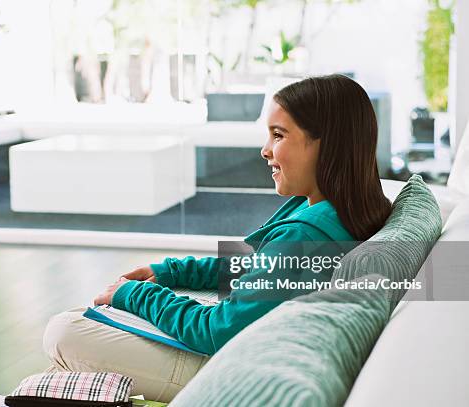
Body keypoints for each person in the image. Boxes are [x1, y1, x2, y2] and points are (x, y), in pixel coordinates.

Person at [43, 74, 392, 402]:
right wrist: (170, 273)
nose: (265, 150)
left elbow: (218, 330)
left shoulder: (304, 235)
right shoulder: (326, 208)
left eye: (279, 135)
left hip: (233, 368)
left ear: (325, 144)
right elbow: (252, 264)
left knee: (64, 330)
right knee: (82, 326)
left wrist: (138, 295)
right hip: (245, 345)